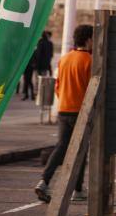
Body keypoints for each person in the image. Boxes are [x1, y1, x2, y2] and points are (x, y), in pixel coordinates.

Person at [35, 25, 94, 204]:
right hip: (81, 111)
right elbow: (93, 88)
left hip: (64, 109)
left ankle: (44, 181)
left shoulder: (65, 58)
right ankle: (78, 189)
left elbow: (58, 86)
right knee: (81, 151)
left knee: (61, 147)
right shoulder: (90, 61)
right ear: (88, 39)